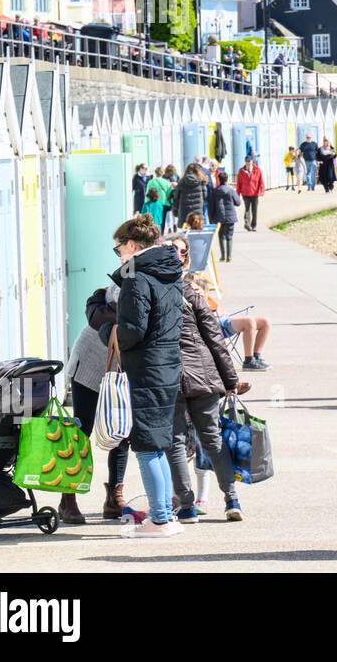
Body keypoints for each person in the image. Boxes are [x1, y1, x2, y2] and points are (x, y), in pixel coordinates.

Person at [163, 235, 247, 522]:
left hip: (171, 376)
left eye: (181, 252)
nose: (178, 256)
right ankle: (231, 498)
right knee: (212, 439)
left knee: (176, 441)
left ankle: (187, 506)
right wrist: (230, 379)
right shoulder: (194, 293)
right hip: (202, 374)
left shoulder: (153, 291)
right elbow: (215, 339)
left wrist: (231, 379)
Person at [111, 214, 184, 537]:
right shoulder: (168, 272)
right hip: (167, 364)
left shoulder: (137, 278)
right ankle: (166, 514)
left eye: (118, 250)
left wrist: (109, 333)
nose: (119, 257)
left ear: (130, 245)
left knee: (146, 445)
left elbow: (132, 330)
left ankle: (160, 518)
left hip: (146, 368)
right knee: (158, 443)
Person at [64, 281, 131, 524]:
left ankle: (114, 496)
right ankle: (67, 497)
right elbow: (112, 296)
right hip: (90, 362)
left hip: (120, 368)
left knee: (121, 430)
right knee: (83, 430)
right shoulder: (121, 284)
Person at [210, 170, 241, 262]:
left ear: (219, 180)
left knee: (221, 236)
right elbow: (238, 202)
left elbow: (212, 206)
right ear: (227, 180)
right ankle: (229, 257)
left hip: (219, 217)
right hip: (230, 216)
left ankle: (223, 256)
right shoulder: (231, 190)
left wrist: (211, 218)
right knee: (229, 236)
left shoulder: (214, 191)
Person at [236, 154, 265, 232]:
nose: (248, 164)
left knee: (254, 210)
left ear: (252, 162)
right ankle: (247, 224)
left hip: (255, 193)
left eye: (249, 162)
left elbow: (261, 182)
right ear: (245, 162)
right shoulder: (241, 171)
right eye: (247, 162)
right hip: (245, 194)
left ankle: (254, 225)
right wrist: (237, 194)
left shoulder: (257, 170)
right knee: (247, 209)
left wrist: (262, 190)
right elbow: (238, 183)